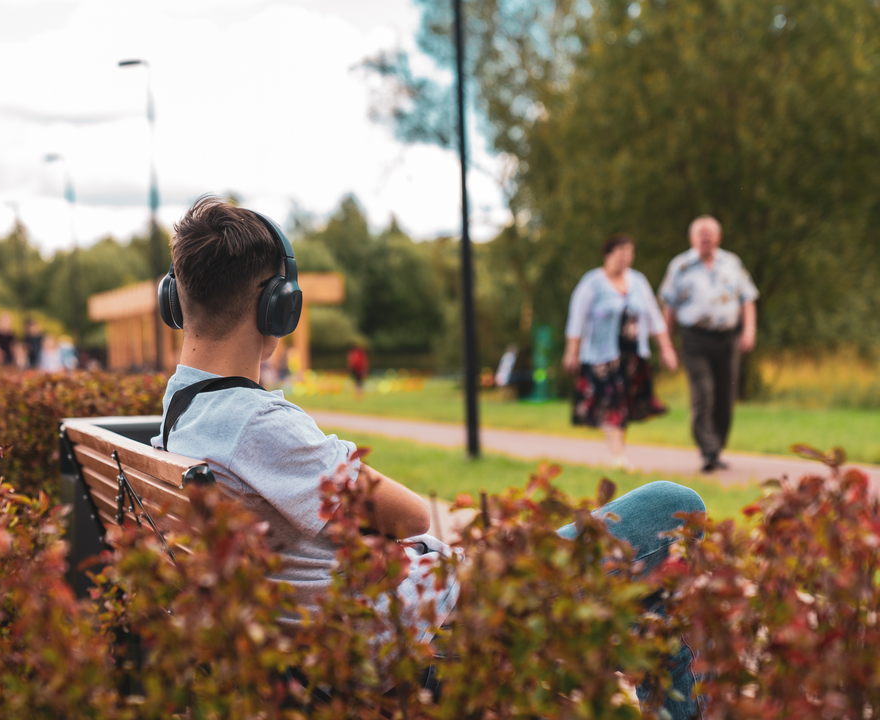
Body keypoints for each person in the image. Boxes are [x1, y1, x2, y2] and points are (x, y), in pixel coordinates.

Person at [151, 197, 706, 718]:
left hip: (367, 628)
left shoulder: (182, 408)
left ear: (175, 300)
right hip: (429, 630)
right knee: (676, 507)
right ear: (279, 307)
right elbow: (411, 515)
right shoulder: (258, 425)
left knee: (651, 607)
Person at [562, 234, 678, 469]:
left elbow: (654, 317)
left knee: (624, 404)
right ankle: (617, 455)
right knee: (611, 402)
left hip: (632, 355)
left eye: (630, 253)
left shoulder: (638, 281)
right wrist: (571, 352)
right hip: (602, 356)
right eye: (621, 253)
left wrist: (666, 348)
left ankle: (618, 452)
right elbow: (576, 320)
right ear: (608, 255)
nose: (626, 258)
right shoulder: (592, 283)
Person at [658, 216, 759, 473]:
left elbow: (747, 298)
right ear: (692, 239)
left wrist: (749, 329)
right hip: (695, 338)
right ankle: (708, 450)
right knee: (703, 394)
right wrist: (666, 345)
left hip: (726, 338)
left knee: (726, 396)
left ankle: (717, 448)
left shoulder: (732, 263)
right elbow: (668, 307)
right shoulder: (680, 266)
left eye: (710, 233)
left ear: (718, 238)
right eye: (700, 234)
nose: (705, 238)